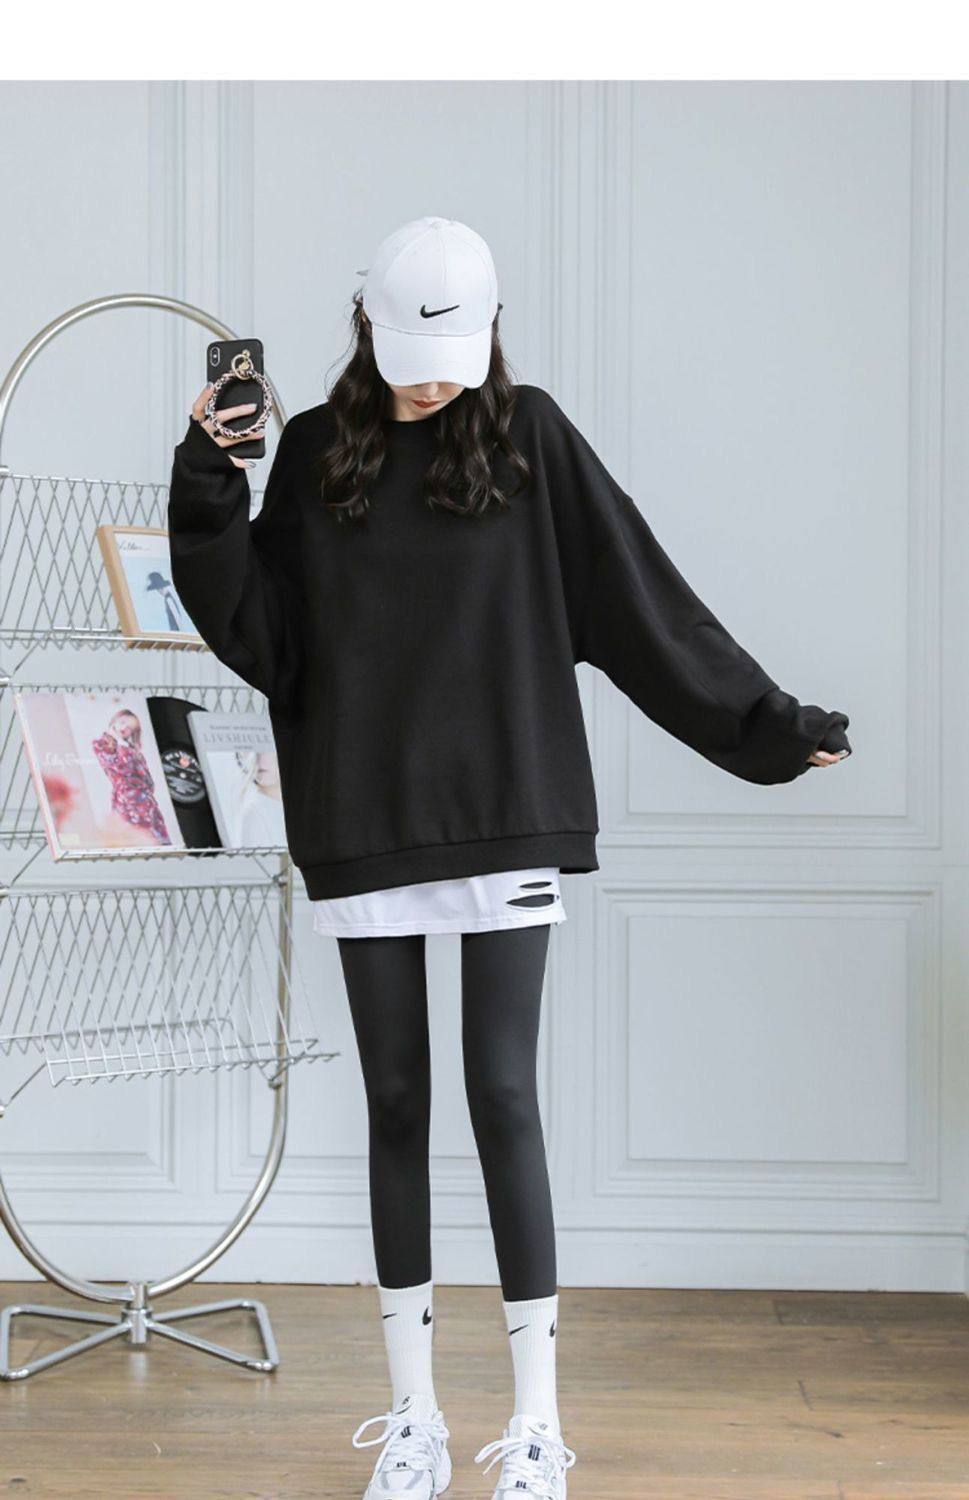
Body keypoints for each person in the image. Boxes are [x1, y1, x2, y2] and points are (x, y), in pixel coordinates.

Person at [167, 215, 851, 1500]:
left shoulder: (531, 436)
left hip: (508, 806)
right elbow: (260, 635)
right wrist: (211, 476)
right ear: (365, 327)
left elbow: (642, 602)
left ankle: (536, 1425)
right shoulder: (313, 453)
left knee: (503, 1097)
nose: (434, 383)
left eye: (454, 357)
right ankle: (413, 1420)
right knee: (395, 1104)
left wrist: (764, 724)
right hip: (365, 815)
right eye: (412, 356)